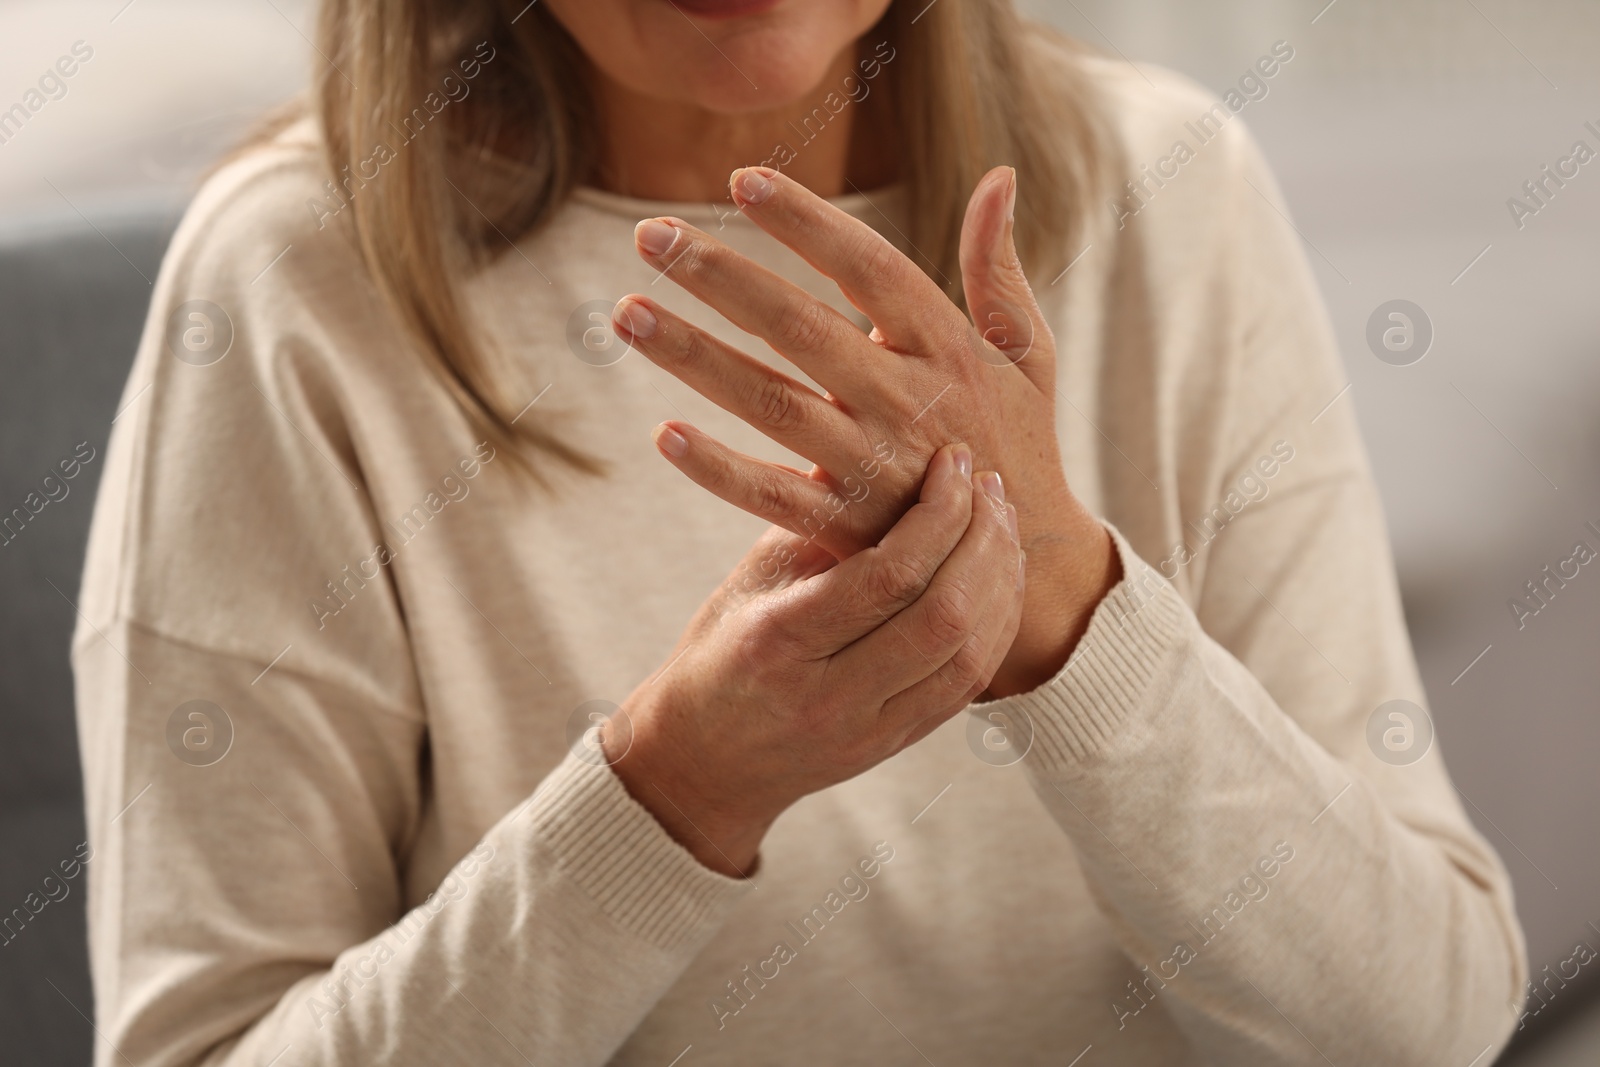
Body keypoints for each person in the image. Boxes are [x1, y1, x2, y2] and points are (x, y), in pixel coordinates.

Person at [73, 0, 1526, 1063]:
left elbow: (1430, 1021)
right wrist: (671, 795)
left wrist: (1075, 620)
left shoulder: (1173, 188)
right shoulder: (288, 287)